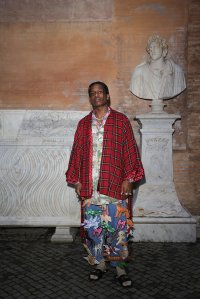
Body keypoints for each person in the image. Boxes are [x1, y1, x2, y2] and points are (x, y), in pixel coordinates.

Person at [66, 81, 144, 288]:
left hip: (114, 185)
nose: (97, 95)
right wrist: (77, 180)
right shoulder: (83, 124)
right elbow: (77, 153)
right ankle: (99, 265)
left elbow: (130, 151)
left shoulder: (120, 121)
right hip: (90, 188)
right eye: (93, 93)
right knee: (93, 229)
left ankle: (120, 268)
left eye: (101, 92)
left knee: (117, 229)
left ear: (107, 96)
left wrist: (129, 178)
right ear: (90, 98)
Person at [130, 35, 186, 101]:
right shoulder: (139, 71)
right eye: (150, 48)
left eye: (155, 47)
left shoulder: (177, 71)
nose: (152, 50)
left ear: (164, 50)